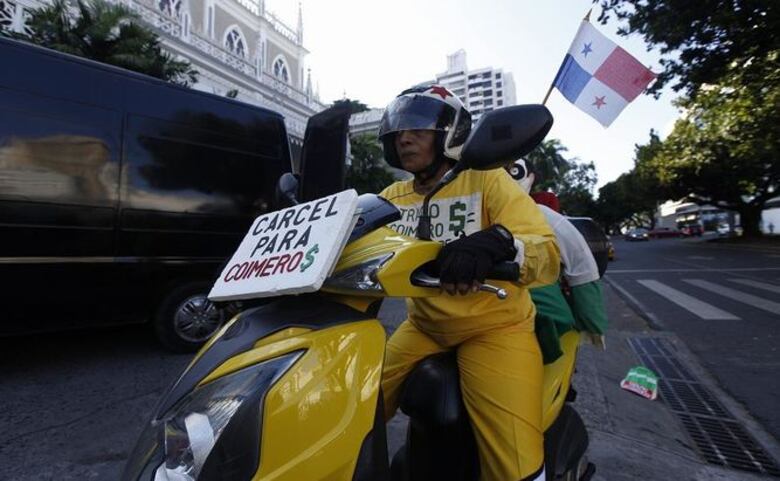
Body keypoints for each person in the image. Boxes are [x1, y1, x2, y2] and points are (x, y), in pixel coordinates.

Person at [378, 85, 560, 481]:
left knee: (516, 464)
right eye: (398, 131)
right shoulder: (391, 197)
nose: (404, 137)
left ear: (452, 134)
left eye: (419, 129)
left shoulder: (487, 180)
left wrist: (498, 242)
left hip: (495, 326)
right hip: (423, 326)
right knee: (354, 404)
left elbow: (545, 252)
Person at [505, 158, 608, 361]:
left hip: (530, 305)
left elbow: (581, 264)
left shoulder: (541, 214)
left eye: (512, 171)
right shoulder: (472, 206)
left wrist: (592, 321)